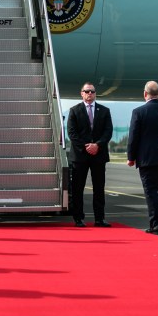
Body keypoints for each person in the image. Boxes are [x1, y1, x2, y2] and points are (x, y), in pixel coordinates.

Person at [127, 81, 158, 233]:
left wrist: (131, 156)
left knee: (151, 191)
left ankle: (156, 224)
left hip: (147, 158)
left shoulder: (139, 112)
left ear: (145, 94)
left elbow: (134, 136)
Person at [67, 82, 113, 227]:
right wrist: (87, 147)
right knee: (77, 188)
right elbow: (72, 133)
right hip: (80, 156)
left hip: (99, 155)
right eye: (86, 91)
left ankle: (99, 218)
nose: (89, 94)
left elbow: (108, 131)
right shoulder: (74, 110)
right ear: (81, 93)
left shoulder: (104, 111)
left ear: (95, 93)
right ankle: (78, 218)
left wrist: (97, 145)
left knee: (99, 188)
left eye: (92, 91)